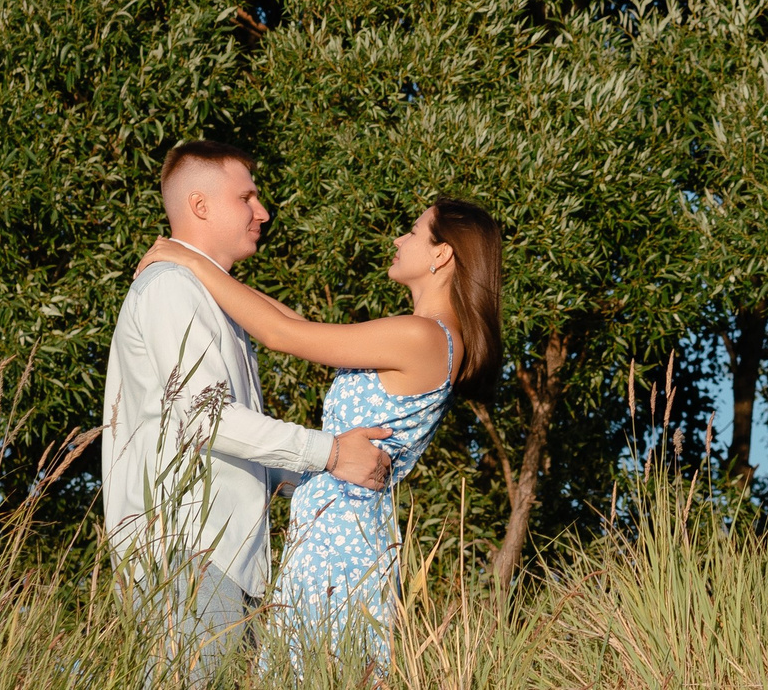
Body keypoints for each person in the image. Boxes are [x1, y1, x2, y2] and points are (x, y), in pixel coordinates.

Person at [138, 195, 502, 671]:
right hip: (336, 531)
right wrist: (204, 269)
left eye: (412, 231)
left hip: (339, 542)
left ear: (442, 254)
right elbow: (296, 324)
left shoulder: (423, 336)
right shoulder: (426, 334)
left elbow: (281, 336)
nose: (398, 239)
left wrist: (184, 257)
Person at [100, 140, 395, 683]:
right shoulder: (170, 289)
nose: (263, 212)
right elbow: (202, 418)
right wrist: (328, 453)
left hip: (224, 556)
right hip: (188, 549)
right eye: (247, 197)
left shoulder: (212, 297)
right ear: (200, 204)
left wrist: (314, 480)